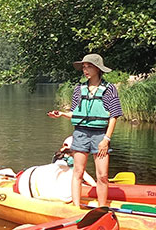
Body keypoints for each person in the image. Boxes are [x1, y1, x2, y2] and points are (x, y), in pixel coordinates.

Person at [47, 54, 123, 208]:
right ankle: (76, 207)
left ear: (97, 69)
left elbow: (114, 116)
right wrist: (61, 114)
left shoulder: (109, 89)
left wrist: (106, 140)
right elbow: (75, 113)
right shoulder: (78, 89)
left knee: (102, 175)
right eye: (84, 67)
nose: (85, 70)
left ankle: (102, 208)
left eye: (89, 66)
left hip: (100, 134)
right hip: (81, 133)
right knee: (78, 172)